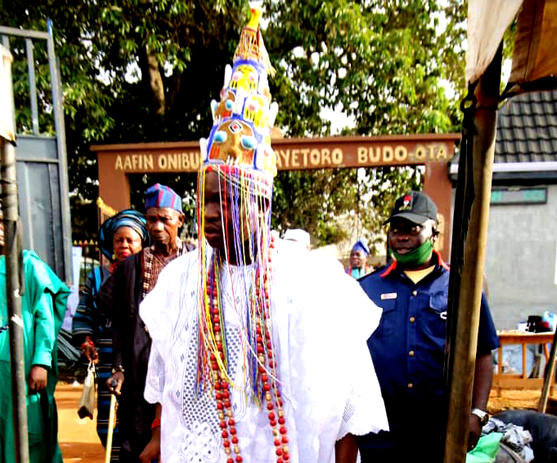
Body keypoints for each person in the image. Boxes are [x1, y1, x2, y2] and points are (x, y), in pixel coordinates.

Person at [140, 7, 389, 463]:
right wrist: (158, 439)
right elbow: (166, 387)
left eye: (229, 199)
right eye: (208, 198)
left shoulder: (313, 282)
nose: (212, 213)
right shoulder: (180, 284)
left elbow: (349, 406)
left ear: (262, 202)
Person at [358, 191, 499, 462]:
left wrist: (477, 413)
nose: (402, 236)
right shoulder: (367, 288)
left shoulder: (461, 288)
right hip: (379, 431)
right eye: (396, 229)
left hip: (438, 430)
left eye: (412, 228)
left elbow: (483, 353)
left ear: (434, 231)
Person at [0, 198, 69, 462]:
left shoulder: (31, 266)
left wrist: (41, 361)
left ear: (14, 225)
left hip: (24, 369)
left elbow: (45, 318)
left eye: (1, 220)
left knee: (25, 433)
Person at [104, 184, 193, 463]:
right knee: (137, 446)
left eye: (164, 219)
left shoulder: (196, 260)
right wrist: (118, 367)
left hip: (186, 371)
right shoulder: (130, 268)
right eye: (151, 219)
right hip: (141, 372)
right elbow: (120, 323)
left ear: (180, 219)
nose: (157, 226)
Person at [72, 209, 150, 459]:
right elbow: (86, 313)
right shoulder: (97, 276)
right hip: (106, 357)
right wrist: (87, 342)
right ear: (111, 243)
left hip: (141, 357)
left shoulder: (149, 275)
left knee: (141, 415)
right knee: (109, 419)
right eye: (119, 240)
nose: (125, 245)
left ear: (142, 243)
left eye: (131, 240)